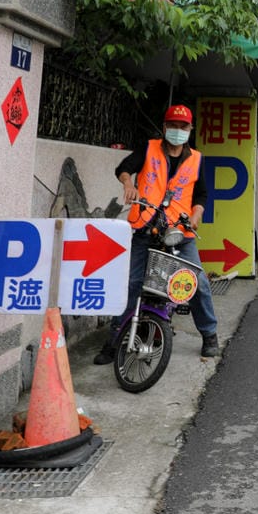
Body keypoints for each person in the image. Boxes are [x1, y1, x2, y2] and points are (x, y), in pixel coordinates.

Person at [94, 104, 219, 364]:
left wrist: (196, 216)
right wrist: (128, 183)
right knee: (132, 284)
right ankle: (114, 341)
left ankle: (209, 335)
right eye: (172, 125)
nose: (178, 130)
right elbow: (124, 168)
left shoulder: (197, 158)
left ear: (190, 129)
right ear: (164, 127)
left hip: (179, 232)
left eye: (183, 126)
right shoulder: (149, 148)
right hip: (145, 227)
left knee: (197, 283)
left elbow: (202, 194)